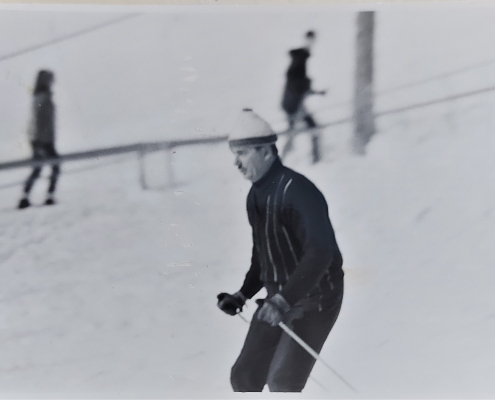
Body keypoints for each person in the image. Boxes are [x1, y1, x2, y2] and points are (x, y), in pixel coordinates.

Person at [217, 109, 344, 392]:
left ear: (266, 152)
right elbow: (264, 255)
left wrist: (283, 300)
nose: (236, 163)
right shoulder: (255, 196)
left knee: (283, 382)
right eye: (235, 155)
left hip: (315, 299)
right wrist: (243, 294)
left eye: (243, 154)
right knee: (243, 376)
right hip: (278, 298)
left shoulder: (299, 191)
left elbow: (321, 252)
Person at [281, 30, 326, 163]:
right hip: (294, 104)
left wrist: (315, 91)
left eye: (313, 40)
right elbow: (294, 81)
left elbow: (298, 85)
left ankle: (282, 160)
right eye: (310, 40)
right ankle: (316, 159)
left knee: (294, 133)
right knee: (311, 129)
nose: (311, 43)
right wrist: (307, 84)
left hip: (292, 103)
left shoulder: (300, 58)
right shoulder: (300, 58)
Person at [18, 70, 60, 209]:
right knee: (46, 167)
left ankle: (30, 196)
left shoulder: (41, 97)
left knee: (44, 168)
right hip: (42, 141)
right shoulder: (43, 98)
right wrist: (39, 145)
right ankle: (35, 197)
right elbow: (40, 122)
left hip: (44, 140)